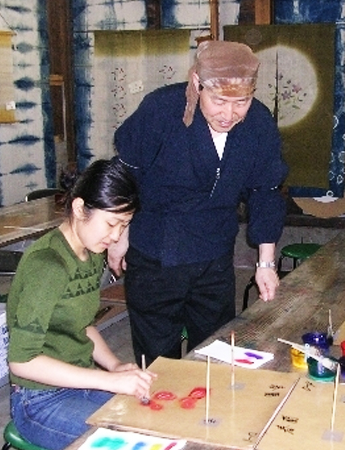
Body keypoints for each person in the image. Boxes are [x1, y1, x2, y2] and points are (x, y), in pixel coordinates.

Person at [107, 39, 288, 366]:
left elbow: (266, 190)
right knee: (158, 360)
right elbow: (127, 173)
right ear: (196, 84)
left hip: (214, 255)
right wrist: (120, 235)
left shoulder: (258, 122)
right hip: (156, 250)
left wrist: (265, 263)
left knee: (215, 352)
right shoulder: (161, 110)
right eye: (219, 101)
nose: (229, 114)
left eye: (241, 102)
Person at [7, 159, 155, 450]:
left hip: (80, 385)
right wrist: (108, 382)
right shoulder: (48, 265)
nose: (115, 236)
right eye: (111, 223)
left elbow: (83, 326)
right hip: (38, 400)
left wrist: (115, 367)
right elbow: (21, 362)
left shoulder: (91, 253)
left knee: (157, 421)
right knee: (132, 442)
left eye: (124, 226)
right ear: (79, 209)